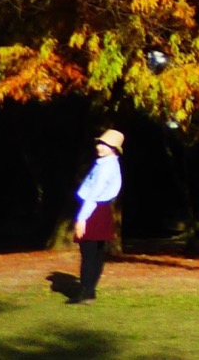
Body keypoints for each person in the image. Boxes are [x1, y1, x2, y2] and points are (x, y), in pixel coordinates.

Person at [70, 130, 124, 303]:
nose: (99, 147)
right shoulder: (106, 164)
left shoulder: (106, 167)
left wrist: (81, 218)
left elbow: (94, 193)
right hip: (100, 209)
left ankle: (86, 290)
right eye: (99, 143)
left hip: (94, 209)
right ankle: (89, 290)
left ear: (113, 148)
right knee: (95, 253)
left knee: (89, 253)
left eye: (105, 144)